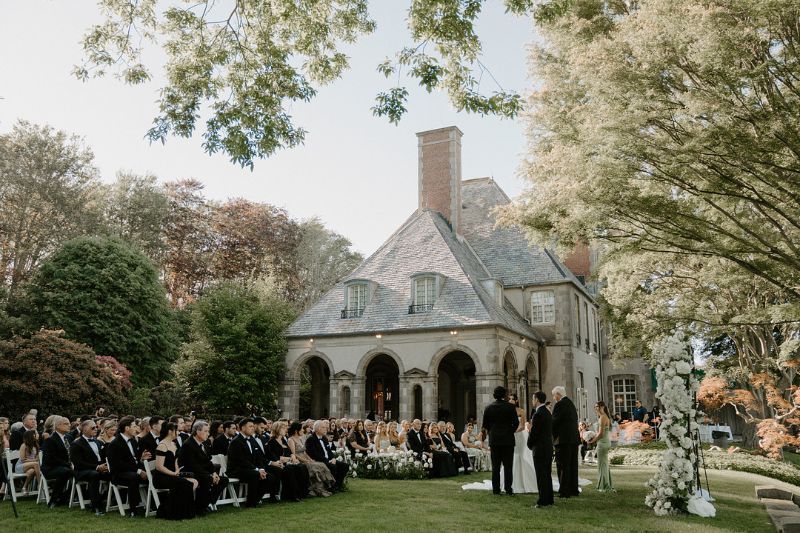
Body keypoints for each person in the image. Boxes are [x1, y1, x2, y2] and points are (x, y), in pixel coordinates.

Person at [179, 420, 229, 515]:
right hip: (190, 472)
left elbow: (208, 462)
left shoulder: (205, 444)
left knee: (224, 480)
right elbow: (192, 465)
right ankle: (200, 507)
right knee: (207, 479)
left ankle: (205, 503)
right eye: (205, 431)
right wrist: (209, 475)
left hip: (202, 472)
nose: (208, 433)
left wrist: (214, 473)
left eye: (208, 431)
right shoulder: (188, 444)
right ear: (197, 431)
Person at [226, 418, 278, 507]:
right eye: (250, 426)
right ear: (242, 428)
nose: (253, 428)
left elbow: (258, 458)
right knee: (255, 475)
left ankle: (256, 499)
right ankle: (251, 502)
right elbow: (241, 461)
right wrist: (257, 470)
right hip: (236, 470)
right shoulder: (236, 442)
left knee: (270, 477)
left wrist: (261, 468)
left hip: (250, 469)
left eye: (253, 427)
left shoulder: (251, 440)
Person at [152, 422, 197, 520]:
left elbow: (176, 460)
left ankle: (176, 509)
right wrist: (173, 473)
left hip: (173, 475)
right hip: (161, 477)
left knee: (194, 481)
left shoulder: (174, 444)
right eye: (176, 431)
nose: (178, 433)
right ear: (170, 431)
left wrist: (177, 470)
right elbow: (159, 467)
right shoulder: (162, 445)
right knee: (185, 483)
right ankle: (172, 511)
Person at [106, 416, 147, 517]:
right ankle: (133, 510)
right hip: (119, 474)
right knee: (135, 477)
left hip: (131, 470)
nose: (136, 428)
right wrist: (138, 471)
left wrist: (141, 459)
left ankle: (153, 503)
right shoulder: (115, 444)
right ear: (127, 428)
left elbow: (134, 459)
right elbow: (119, 464)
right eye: (134, 426)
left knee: (152, 473)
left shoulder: (133, 441)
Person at [482, 385, 518, 495]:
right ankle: (508, 489)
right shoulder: (510, 407)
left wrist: (492, 431)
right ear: (504, 395)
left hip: (495, 440)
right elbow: (516, 423)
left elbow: (485, 425)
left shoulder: (488, 408)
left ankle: (496, 489)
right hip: (508, 440)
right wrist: (510, 430)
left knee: (496, 466)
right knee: (508, 466)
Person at [70, 419, 111, 515]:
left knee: (115, 473)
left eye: (96, 427)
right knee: (94, 474)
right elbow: (78, 463)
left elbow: (104, 457)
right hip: (82, 471)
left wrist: (106, 466)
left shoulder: (98, 442)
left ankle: (103, 500)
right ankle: (95, 506)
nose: (96, 429)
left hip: (99, 469)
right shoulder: (76, 444)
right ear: (84, 429)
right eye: (93, 427)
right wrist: (97, 467)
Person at [288, 422, 335, 497]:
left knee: (321, 465)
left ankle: (323, 487)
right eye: (301, 429)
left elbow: (305, 452)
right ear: (296, 431)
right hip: (299, 460)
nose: (303, 431)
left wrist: (310, 459)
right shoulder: (291, 440)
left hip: (305, 458)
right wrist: (305, 461)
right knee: (316, 467)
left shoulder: (300, 439)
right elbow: (294, 454)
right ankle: (316, 489)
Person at [266, 420, 308, 502]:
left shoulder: (284, 440)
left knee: (302, 467)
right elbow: (276, 457)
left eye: (286, 428)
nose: (286, 430)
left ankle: (302, 493)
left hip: (288, 462)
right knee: (290, 469)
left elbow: (290, 453)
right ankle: (292, 495)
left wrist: (292, 456)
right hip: (278, 464)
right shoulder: (272, 441)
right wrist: (289, 458)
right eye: (283, 428)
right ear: (277, 429)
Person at [503, 395, 538, 493]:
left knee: (520, 455)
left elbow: (522, 426)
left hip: (519, 435)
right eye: (509, 399)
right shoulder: (506, 411)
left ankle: (524, 481)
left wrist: (513, 431)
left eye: (512, 399)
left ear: (516, 400)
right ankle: (511, 481)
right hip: (510, 436)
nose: (510, 400)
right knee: (512, 456)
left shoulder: (521, 411)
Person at [551, 386, 580, 498]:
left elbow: (555, 422)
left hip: (563, 439)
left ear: (558, 394)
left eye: (554, 395)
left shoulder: (560, 404)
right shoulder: (571, 404)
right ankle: (573, 488)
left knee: (563, 465)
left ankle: (564, 490)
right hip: (573, 438)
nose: (554, 398)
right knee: (573, 465)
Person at [527, 391, 554, 508]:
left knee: (541, 475)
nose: (532, 401)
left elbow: (534, 433)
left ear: (537, 399)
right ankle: (549, 499)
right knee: (547, 474)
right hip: (548, 447)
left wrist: (529, 444)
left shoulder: (538, 414)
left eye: (533, 399)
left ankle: (543, 500)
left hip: (540, 448)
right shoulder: (547, 412)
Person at [305, 419, 349, 492]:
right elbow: (314, 454)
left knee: (344, 466)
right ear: (317, 428)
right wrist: (328, 460)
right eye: (323, 427)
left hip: (329, 459)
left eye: (325, 427)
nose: (326, 429)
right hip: (319, 461)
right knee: (333, 467)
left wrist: (333, 458)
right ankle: (331, 487)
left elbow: (329, 451)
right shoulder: (311, 439)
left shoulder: (324, 438)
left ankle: (338, 485)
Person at [40, 416, 74, 507]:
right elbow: (51, 459)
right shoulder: (50, 440)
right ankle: (54, 499)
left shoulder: (69, 438)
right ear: (58, 426)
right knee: (65, 471)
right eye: (66, 424)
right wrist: (68, 464)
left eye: (69, 423)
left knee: (82, 472)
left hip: (66, 466)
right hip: (51, 468)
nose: (69, 425)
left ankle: (64, 497)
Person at [587, 401, 614, 492]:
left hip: (602, 443)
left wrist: (591, 441)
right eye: (595, 406)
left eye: (597, 406)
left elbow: (601, 434)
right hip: (605, 442)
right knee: (604, 464)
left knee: (602, 465)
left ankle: (604, 485)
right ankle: (607, 483)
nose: (596, 408)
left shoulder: (603, 417)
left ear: (602, 406)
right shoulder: (604, 417)